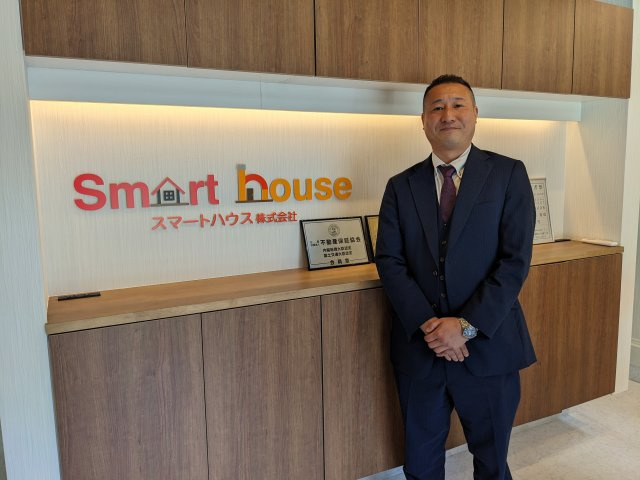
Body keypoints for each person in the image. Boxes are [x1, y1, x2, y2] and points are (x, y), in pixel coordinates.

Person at [375, 74, 537, 480]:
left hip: (488, 345)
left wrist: (464, 326)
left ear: (475, 114)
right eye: (437, 107)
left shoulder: (508, 174)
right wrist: (432, 327)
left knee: (492, 462)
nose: (447, 114)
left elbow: (514, 261)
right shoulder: (400, 186)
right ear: (424, 121)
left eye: (458, 104)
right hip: (421, 348)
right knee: (421, 464)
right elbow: (389, 261)